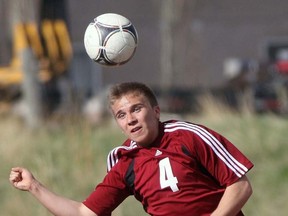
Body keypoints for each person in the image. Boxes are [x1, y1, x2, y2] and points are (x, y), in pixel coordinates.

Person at [9, 82, 253, 216]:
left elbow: (240, 186)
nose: (130, 119)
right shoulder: (125, 161)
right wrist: (34, 186)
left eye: (137, 109)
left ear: (156, 112)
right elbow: (84, 213)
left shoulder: (188, 136)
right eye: (121, 115)